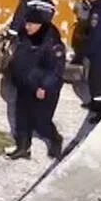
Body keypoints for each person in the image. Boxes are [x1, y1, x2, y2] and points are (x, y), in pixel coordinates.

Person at [7, 9, 66, 160]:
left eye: (31, 24)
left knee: (41, 120)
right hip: (25, 84)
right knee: (22, 117)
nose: (27, 27)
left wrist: (44, 86)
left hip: (43, 88)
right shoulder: (24, 37)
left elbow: (56, 69)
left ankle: (54, 139)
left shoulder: (52, 42)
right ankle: (23, 148)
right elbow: (19, 58)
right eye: (27, 23)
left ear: (40, 25)